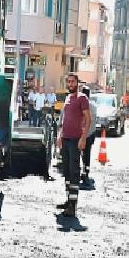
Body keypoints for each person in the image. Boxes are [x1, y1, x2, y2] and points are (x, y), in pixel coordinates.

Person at [56, 74, 91, 217]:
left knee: (74, 172)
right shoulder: (68, 98)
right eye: (68, 82)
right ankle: (68, 200)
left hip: (75, 140)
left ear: (77, 83)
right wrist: (59, 135)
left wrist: (83, 138)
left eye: (73, 81)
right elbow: (64, 119)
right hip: (65, 139)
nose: (70, 84)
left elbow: (88, 120)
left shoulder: (82, 98)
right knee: (66, 172)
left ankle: (73, 207)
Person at [81, 87, 97, 188]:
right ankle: (86, 172)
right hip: (91, 133)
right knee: (87, 155)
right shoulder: (94, 105)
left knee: (80, 154)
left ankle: (81, 172)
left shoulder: (81, 104)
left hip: (82, 134)